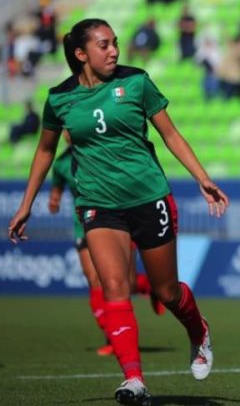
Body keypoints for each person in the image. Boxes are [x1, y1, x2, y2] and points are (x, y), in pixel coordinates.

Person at [8, 18, 229, 405]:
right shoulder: (59, 98)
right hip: (98, 204)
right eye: (104, 45)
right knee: (114, 287)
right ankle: (134, 380)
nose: (114, 51)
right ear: (81, 55)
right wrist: (26, 205)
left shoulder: (137, 81)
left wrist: (202, 178)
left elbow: (170, 134)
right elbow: (45, 151)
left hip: (149, 198)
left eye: (115, 44)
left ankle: (198, 331)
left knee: (167, 292)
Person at [48, 132, 165, 357]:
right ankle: (113, 336)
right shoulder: (61, 164)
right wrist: (54, 200)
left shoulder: (101, 151)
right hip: (84, 225)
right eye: (64, 129)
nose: (68, 133)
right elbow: (56, 191)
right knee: (96, 280)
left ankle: (149, 285)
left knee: (124, 284)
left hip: (117, 221)